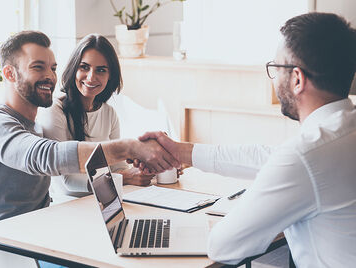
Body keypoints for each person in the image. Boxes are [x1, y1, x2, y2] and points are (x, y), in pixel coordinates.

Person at [138, 13, 356, 267]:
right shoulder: (338, 134)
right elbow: (268, 158)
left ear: (297, 79)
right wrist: (182, 153)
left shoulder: (305, 156)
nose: (273, 77)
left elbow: (223, 246)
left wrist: (257, 200)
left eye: (276, 67)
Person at [0, 31, 179, 229]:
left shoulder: (35, 125)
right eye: (38, 67)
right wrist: (130, 148)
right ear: (9, 74)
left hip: (41, 228)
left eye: (53, 68)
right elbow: (45, 157)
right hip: (2, 243)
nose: (50, 76)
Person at [37, 34, 153, 200]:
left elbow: (117, 167)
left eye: (101, 70)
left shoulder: (109, 113)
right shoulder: (54, 111)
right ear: (73, 68)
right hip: (69, 206)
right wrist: (125, 178)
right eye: (84, 67)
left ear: (110, 76)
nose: (91, 77)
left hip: (104, 201)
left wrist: (143, 171)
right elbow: (68, 182)